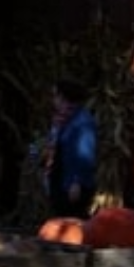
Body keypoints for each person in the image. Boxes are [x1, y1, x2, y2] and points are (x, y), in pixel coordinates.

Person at [47, 77, 99, 217]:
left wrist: (77, 182)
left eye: (55, 96)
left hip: (72, 184)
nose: (53, 100)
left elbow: (85, 154)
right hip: (62, 180)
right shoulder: (64, 119)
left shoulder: (82, 123)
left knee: (73, 219)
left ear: (64, 97)